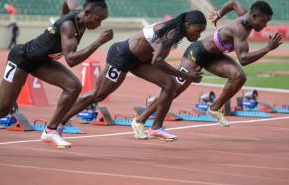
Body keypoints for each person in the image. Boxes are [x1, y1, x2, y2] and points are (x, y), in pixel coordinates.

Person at [0, 0, 113, 155]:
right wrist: (98, 42)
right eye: (98, 20)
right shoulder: (68, 26)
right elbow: (71, 60)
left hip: (41, 61)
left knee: (73, 86)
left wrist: (61, 16)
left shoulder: (78, 11)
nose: (99, 25)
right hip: (21, 59)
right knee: (3, 108)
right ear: (87, 12)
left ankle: (50, 131)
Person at [135, 0, 283, 134]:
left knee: (239, 77)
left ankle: (213, 109)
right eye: (264, 21)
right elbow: (243, 59)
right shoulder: (240, 30)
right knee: (173, 90)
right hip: (196, 54)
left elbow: (232, 3)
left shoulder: (245, 14)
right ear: (254, 16)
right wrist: (268, 48)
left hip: (214, 57)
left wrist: (219, 14)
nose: (265, 26)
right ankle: (140, 120)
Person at [59, 10, 206, 142]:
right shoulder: (171, 33)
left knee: (170, 84)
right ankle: (60, 122)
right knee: (98, 95)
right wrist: (186, 75)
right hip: (122, 56)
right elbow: (158, 62)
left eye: (201, 32)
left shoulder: (176, 32)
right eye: (197, 31)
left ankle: (155, 128)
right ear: (187, 25)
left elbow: (155, 59)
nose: (198, 35)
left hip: (139, 61)